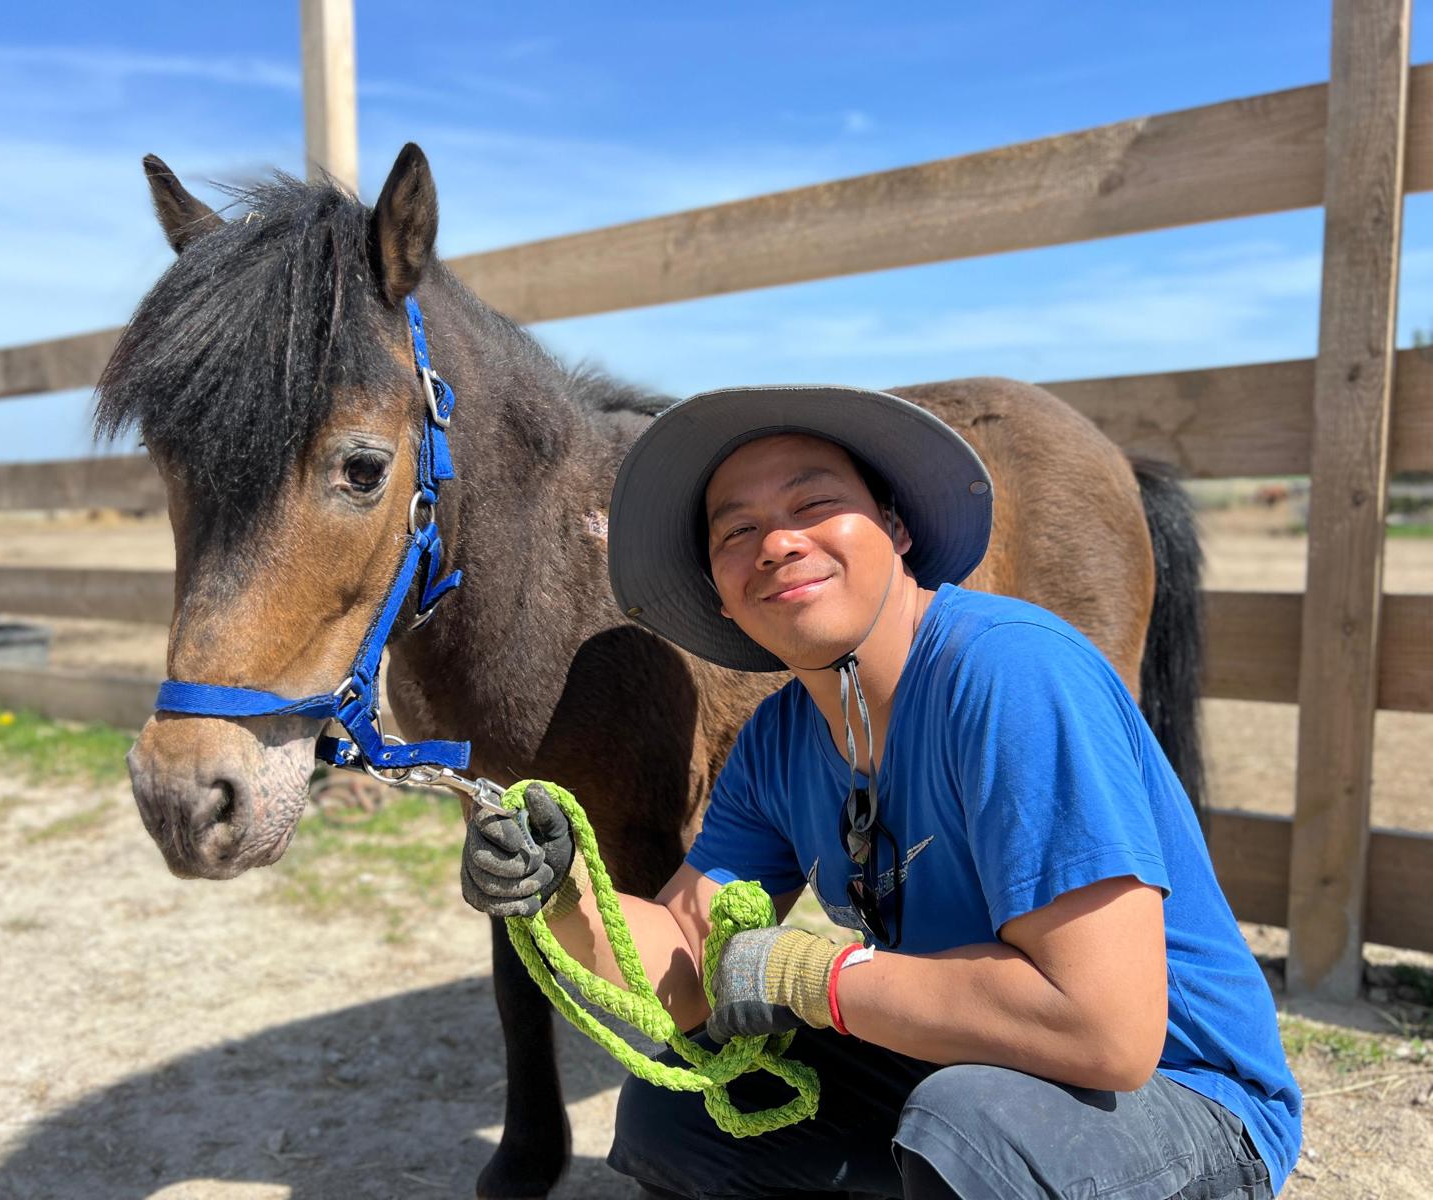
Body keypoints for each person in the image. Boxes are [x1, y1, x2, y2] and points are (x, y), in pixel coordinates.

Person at [459, 384, 1302, 1198]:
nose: (777, 543)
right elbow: (686, 968)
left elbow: (1107, 1031)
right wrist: (564, 894)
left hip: (1179, 1096)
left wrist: (813, 977)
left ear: (896, 527)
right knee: (673, 1116)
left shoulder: (1012, 673)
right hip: (969, 1069)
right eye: (738, 530)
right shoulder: (778, 741)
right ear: (719, 594)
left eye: (813, 504)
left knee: (966, 1128)